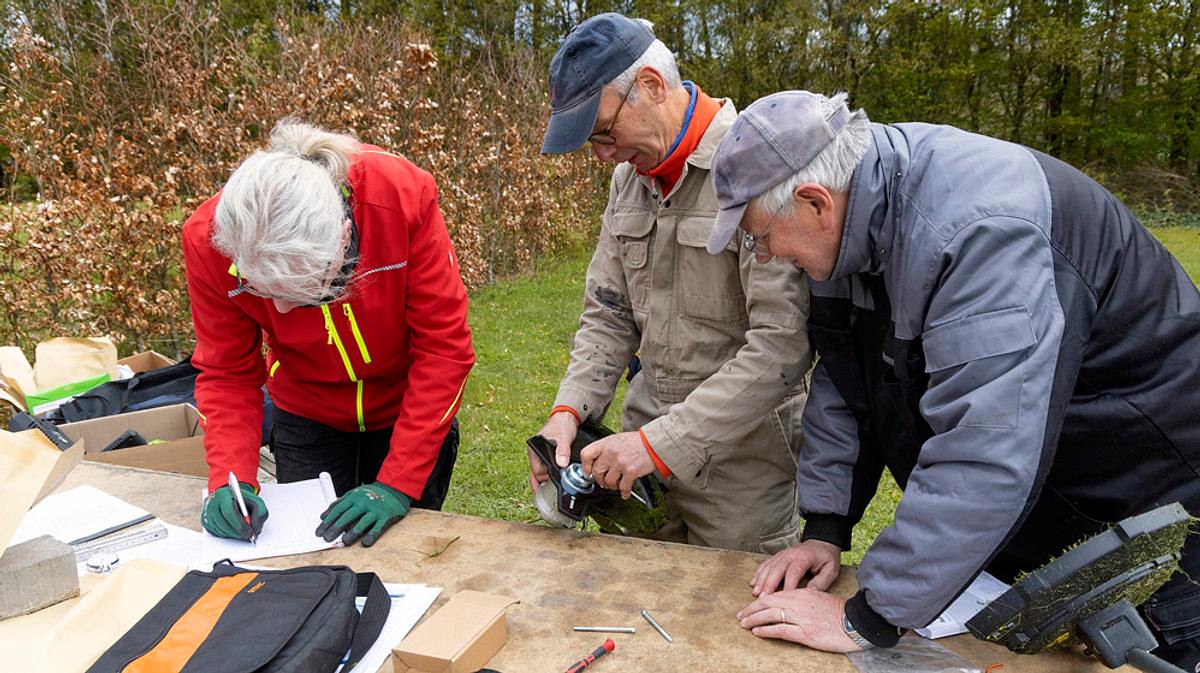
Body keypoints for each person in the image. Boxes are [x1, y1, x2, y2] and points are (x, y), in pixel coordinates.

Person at [705, 90, 1200, 668]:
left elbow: (986, 448)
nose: (763, 255)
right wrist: (827, 526)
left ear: (815, 203)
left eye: (760, 236)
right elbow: (845, 382)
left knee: (1155, 654)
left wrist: (869, 615)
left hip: (1154, 500)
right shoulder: (847, 232)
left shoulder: (982, 230)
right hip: (1042, 501)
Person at [531, 13, 813, 553]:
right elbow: (608, 313)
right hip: (637, 459)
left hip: (741, 471)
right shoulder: (628, 182)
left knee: (730, 625)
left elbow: (782, 345)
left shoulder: (756, 165)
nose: (603, 156)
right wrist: (569, 412)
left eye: (605, 134)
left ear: (652, 87)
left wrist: (659, 445)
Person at [183, 119, 474, 548]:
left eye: (302, 296)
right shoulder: (207, 239)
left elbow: (443, 349)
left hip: (406, 407)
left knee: (404, 552)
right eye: (263, 292)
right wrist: (232, 477)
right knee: (312, 552)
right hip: (306, 410)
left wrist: (397, 482)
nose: (280, 311)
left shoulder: (402, 196)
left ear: (342, 242)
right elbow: (228, 373)